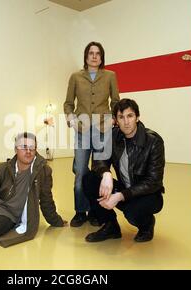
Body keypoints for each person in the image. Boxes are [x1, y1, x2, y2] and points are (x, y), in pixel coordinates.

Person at [83, 98, 165, 243]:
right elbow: (98, 160)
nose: (126, 122)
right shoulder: (113, 136)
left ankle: (146, 225)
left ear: (137, 117)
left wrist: (121, 196)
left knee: (132, 211)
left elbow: (153, 181)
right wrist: (106, 173)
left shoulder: (153, 141)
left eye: (130, 116)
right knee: (89, 179)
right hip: (125, 189)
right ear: (116, 120)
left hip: (148, 194)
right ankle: (110, 226)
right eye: (121, 117)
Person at [63, 41, 120, 227]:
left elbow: (116, 101)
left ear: (102, 57)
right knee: (80, 171)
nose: (94, 56)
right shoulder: (75, 77)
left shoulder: (110, 76)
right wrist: (71, 118)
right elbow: (68, 103)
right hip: (82, 130)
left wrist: (113, 119)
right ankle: (80, 211)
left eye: (98, 53)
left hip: (103, 130)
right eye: (91, 53)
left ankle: (96, 212)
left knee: (99, 172)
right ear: (86, 56)